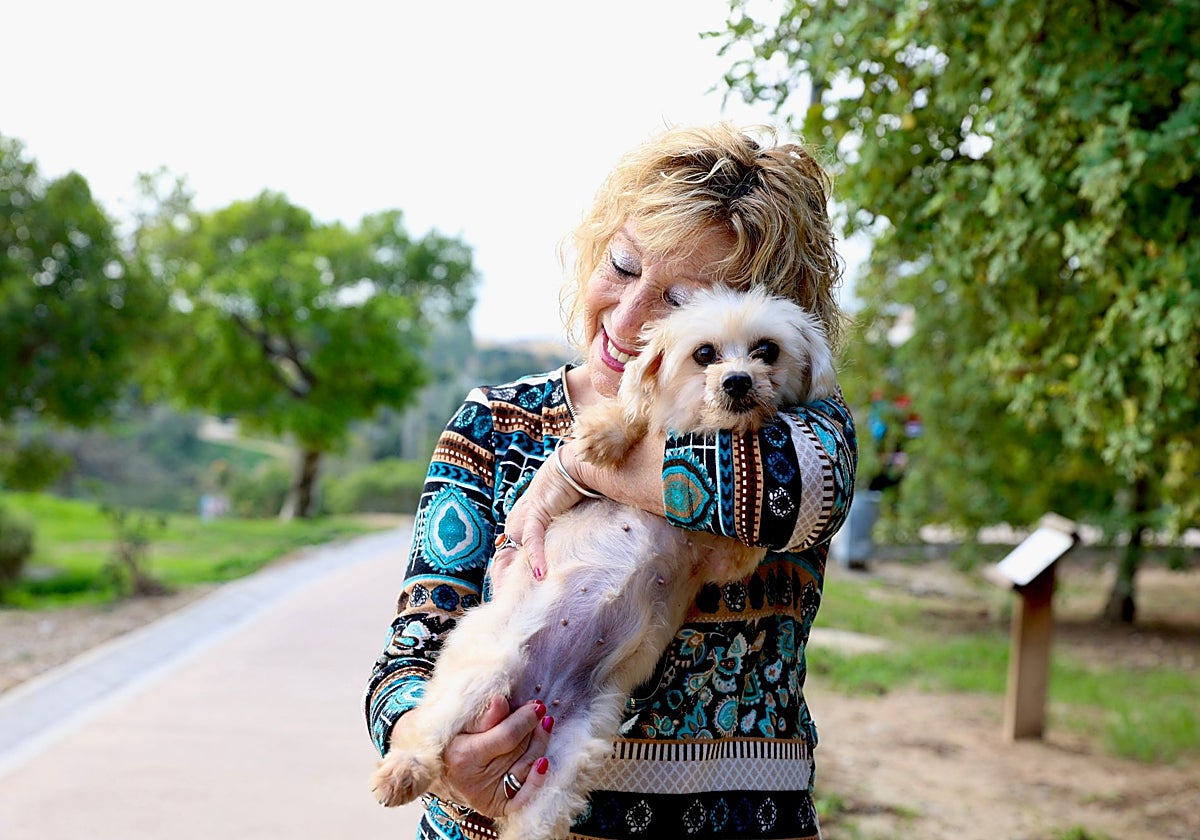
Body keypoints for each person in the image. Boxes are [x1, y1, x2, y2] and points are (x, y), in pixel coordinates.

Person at [364, 123, 858, 840]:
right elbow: (408, 656)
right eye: (623, 267)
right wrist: (439, 745)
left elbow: (767, 495)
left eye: (680, 301)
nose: (627, 319)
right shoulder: (493, 425)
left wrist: (572, 468)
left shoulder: (804, 421)